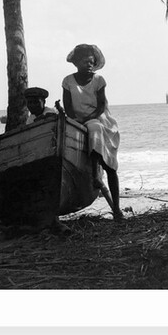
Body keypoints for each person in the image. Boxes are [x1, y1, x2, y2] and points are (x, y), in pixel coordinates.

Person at [61, 44, 123, 221]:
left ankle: (115, 207)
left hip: (101, 120)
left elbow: (101, 106)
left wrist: (89, 118)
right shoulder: (68, 81)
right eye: (85, 61)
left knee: (110, 167)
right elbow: (68, 106)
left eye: (91, 61)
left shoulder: (99, 80)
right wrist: (76, 119)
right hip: (77, 120)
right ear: (76, 63)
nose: (89, 64)